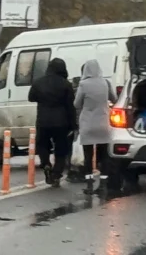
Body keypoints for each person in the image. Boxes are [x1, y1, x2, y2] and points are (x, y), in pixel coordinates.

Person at [28, 58, 77, 186]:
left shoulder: (38, 83)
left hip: (43, 120)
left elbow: (31, 97)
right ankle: (56, 173)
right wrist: (74, 125)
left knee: (42, 144)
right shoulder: (66, 84)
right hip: (61, 122)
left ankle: (45, 164)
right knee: (61, 148)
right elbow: (70, 106)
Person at [74, 59, 118, 193]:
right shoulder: (106, 83)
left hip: (87, 123)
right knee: (104, 155)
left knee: (88, 156)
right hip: (103, 123)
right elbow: (114, 99)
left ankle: (89, 184)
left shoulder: (83, 84)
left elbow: (77, 104)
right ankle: (103, 184)